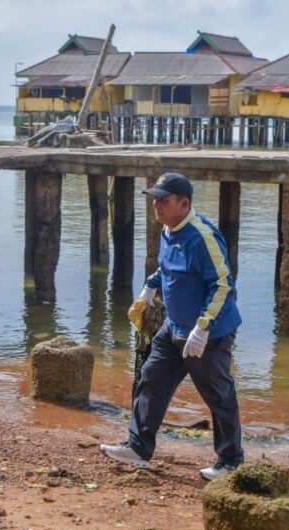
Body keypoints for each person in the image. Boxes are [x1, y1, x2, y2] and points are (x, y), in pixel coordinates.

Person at [101, 172, 244, 480]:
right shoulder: (169, 229)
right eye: (154, 199)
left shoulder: (202, 236)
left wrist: (203, 327)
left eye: (163, 200)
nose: (156, 205)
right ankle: (138, 448)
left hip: (207, 334)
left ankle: (230, 462)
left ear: (184, 203)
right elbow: (168, 269)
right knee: (151, 378)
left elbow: (222, 286)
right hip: (174, 327)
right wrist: (150, 288)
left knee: (218, 394)